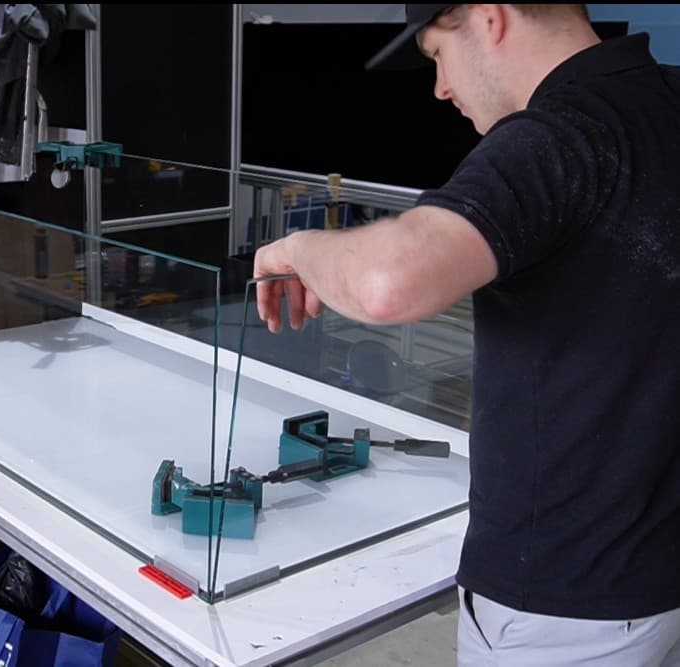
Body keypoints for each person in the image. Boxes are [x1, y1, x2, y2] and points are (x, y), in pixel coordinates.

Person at [253, 4, 680, 665]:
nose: (441, 87)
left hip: (560, 610)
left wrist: (298, 248)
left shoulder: (556, 138)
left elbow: (388, 283)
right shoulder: (665, 96)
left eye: (436, 54)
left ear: (488, 15)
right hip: (652, 575)